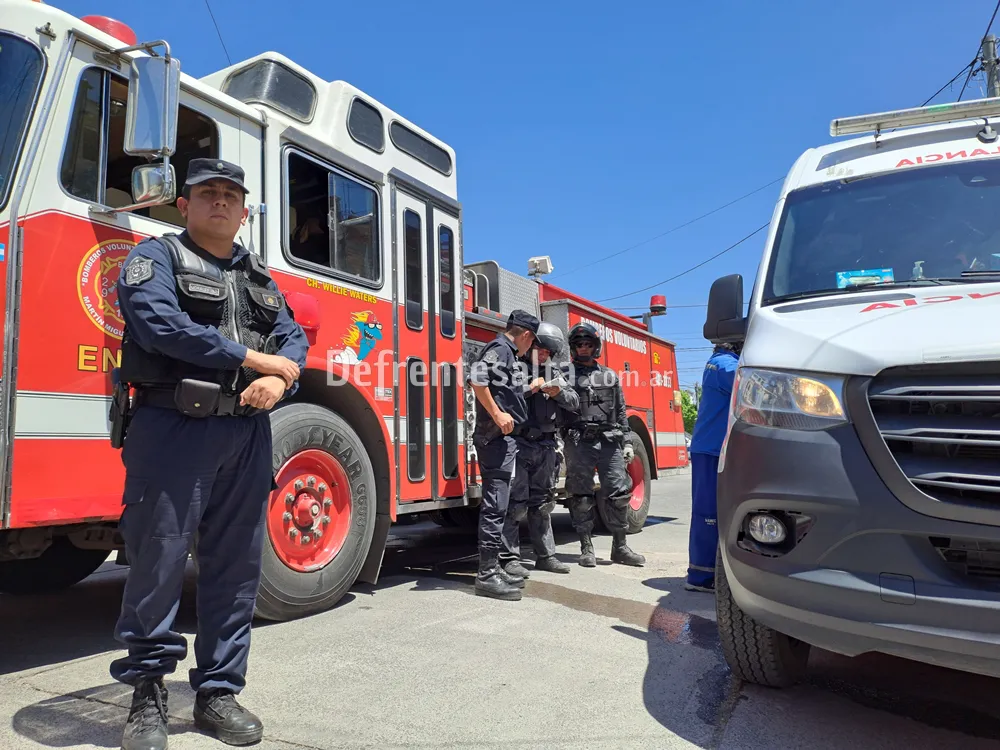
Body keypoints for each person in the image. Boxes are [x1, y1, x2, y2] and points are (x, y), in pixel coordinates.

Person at [110, 158, 309, 750]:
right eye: (208, 193)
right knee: (158, 562)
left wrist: (279, 382)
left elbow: (292, 341)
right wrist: (254, 361)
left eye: (231, 195)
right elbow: (159, 326)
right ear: (185, 205)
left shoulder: (261, 279)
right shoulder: (155, 260)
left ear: (245, 211)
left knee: (235, 567)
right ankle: (146, 695)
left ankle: (218, 693)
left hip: (246, 434)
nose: (220, 202)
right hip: (173, 427)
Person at [467, 309, 539, 600]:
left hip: (503, 440)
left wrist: (528, 389)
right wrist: (497, 415)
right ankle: (487, 575)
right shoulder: (502, 349)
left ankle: (494, 566)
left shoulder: (508, 353)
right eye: (531, 343)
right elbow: (477, 379)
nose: (529, 349)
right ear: (526, 335)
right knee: (495, 507)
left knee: (499, 504)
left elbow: (503, 390)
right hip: (495, 440)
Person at [562, 323, 645, 568]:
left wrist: (627, 441)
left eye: (588, 344)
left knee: (619, 494)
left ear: (595, 347)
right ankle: (586, 548)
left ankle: (620, 547)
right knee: (581, 496)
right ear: (573, 348)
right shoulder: (565, 375)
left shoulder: (609, 375)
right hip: (579, 442)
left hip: (609, 440)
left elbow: (620, 411)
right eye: (579, 345)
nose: (584, 348)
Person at [500, 322, 578, 578]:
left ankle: (546, 556)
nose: (544, 355)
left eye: (548, 352)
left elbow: (575, 401)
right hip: (520, 444)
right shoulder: (514, 369)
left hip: (545, 446)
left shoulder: (555, 372)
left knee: (543, 504)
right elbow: (505, 398)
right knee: (515, 505)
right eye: (540, 349)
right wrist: (532, 387)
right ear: (531, 344)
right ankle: (509, 559)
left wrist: (558, 393)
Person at [685, 341, 741, 593]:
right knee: (707, 513)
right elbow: (753, 383)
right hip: (711, 449)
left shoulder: (720, 362)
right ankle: (701, 575)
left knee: (714, 512)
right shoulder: (724, 364)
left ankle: (709, 571)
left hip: (715, 448)